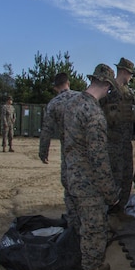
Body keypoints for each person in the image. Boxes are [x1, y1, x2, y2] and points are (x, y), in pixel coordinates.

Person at [62, 64, 120, 270]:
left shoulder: (72, 103)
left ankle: (90, 261)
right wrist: (110, 191)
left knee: (80, 223)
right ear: (106, 85)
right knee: (95, 227)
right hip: (89, 182)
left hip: (72, 176)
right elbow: (99, 158)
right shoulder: (95, 114)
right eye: (109, 88)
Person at [39, 72, 83, 224]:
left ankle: (73, 222)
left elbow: (46, 131)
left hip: (68, 152)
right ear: (68, 83)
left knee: (69, 185)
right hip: (86, 150)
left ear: (54, 88)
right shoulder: (82, 98)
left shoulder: (53, 104)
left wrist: (43, 152)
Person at [101, 57, 135, 214]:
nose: (130, 78)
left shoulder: (128, 93)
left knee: (126, 178)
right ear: (125, 72)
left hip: (125, 144)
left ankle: (120, 212)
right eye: (130, 74)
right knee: (114, 180)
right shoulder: (108, 90)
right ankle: (110, 213)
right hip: (113, 144)